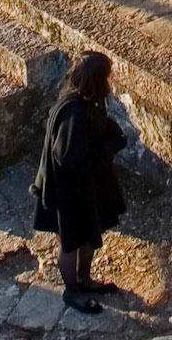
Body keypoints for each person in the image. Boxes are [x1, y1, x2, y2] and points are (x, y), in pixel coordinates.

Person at [31, 50, 127, 313]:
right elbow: (67, 157)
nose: (110, 80)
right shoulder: (73, 112)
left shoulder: (89, 103)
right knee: (72, 241)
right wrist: (106, 148)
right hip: (70, 192)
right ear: (97, 80)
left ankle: (85, 279)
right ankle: (72, 290)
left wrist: (110, 134)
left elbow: (95, 128)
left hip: (88, 186)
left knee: (89, 236)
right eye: (107, 76)